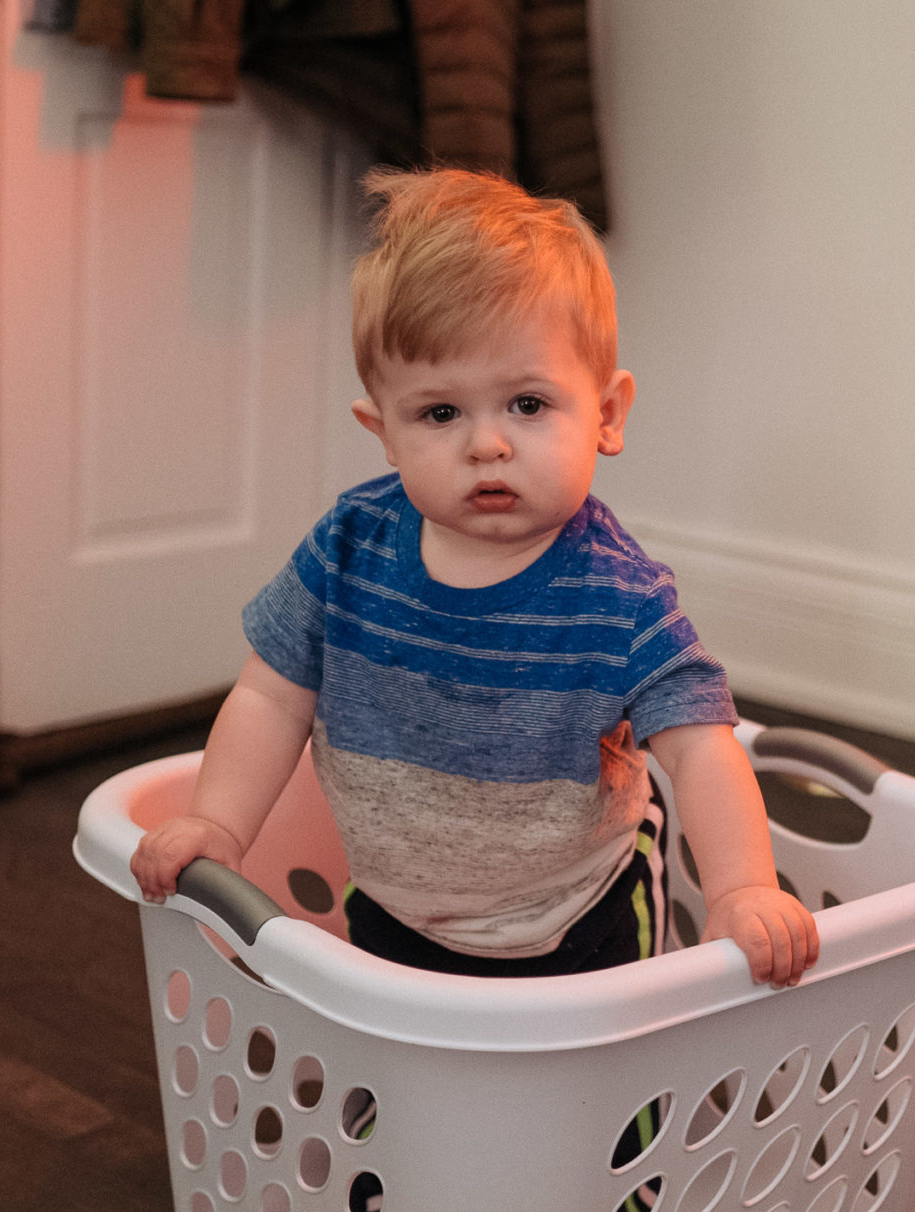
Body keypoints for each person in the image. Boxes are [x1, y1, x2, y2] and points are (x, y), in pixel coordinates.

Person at [130, 167, 818, 987]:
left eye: (527, 405)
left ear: (605, 414)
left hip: (578, 917)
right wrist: (217, 823)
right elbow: (273, 696)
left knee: (591, 1104)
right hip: (392, 904)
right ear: (383, 433)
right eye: (440, 413)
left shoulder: (620, 599)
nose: (486, 444)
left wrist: (742, 888)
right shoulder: (349, 548)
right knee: (400, 1086)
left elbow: (704, 750)